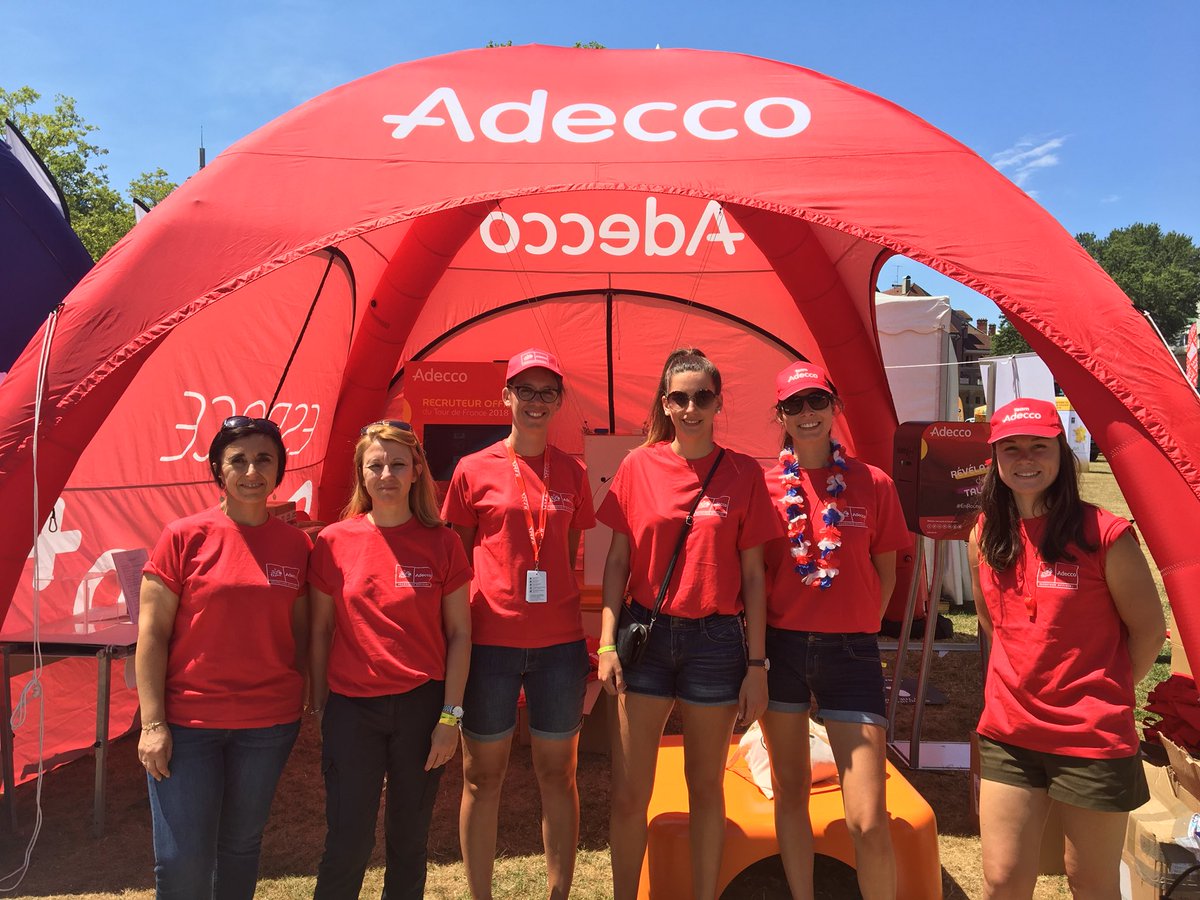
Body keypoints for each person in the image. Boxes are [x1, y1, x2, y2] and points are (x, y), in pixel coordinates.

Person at [596, 347, 782, 900]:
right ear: (665, 403)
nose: (691, 407)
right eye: (680, 397)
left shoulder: (744, 472)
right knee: (631, 794)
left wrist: (757, 665)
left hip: (717, 642)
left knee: (706, 790)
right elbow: (616, 562)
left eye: (702, 396)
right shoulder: (638, 465)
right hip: (645, 639)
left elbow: (754, 578)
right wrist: (606, 642)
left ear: (718, 402)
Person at [969, 398, 1165, 899]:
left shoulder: (1105, 535)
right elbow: (992, 624)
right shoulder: (985, 534)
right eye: (1011, 448)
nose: (1025, 458)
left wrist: (1101, 692)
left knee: (1090, 884)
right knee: (1001, 881)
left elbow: (1147, 632)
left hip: (1091, 738)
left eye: (1039, 445)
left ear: (1062, 452)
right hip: (1009, 733)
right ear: (995, 457)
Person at [442, 347, 596, 900]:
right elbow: (456, 561)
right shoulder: (472, 469)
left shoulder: (573, 471)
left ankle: (559, 893)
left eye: (547, 392)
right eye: (525, 391)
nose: (535, 402)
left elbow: (568, 549)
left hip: (558, 648)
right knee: (483, 778)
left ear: (558, 401)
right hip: (489, 647)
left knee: (560, 775)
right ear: (505, 397)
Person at [136, 415, 311, 900]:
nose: (251, 471)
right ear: (218, 469)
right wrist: (153, 725)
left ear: (279, 471)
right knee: (182, 859)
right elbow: (150, 635)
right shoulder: (183, 535)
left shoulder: (297, 545)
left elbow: (299, 632)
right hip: (189, 723)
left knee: (239, 846)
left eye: (264, 460)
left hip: (268, 724)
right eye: (238, 460)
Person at [758, 362, 911, 900]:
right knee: (791, 791)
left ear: (835, 406)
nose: (807, 414)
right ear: (780, 414)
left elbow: (887, 569)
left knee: (868, 816)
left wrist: (862, 623)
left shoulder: (874, 484)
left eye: (816, 402)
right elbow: (755, 574)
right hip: (782, 649)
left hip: (852, 652)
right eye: (794, 405)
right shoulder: (764, 484)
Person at [308, 420, 472, 900]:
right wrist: (320, 704)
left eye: (398, 464)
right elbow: (319, 630)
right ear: (361, 474)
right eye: (375, 465)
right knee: (347, 842)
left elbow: (461, 634)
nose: (387, 475)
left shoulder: (443, 542)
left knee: (409, 840)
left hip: (423, 710)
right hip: (352, 710)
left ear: (417, 470)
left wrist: (451, 717)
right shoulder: (334, 542)